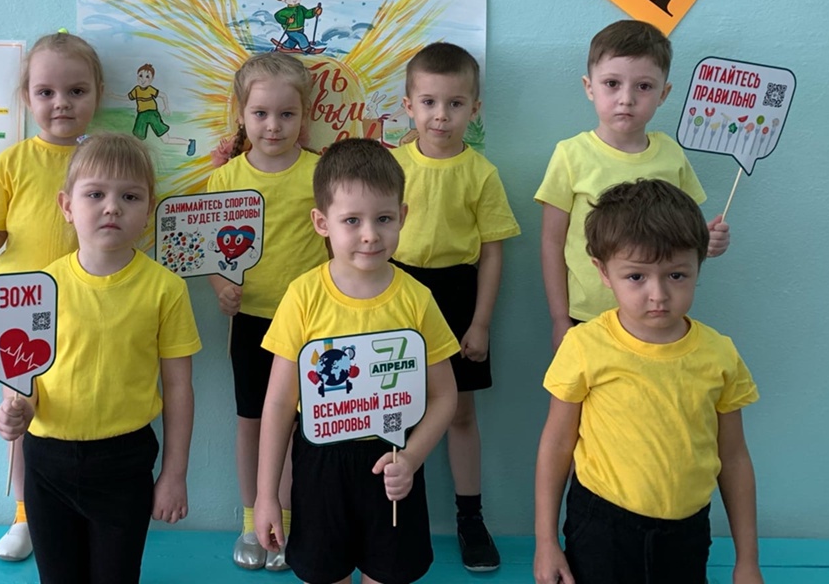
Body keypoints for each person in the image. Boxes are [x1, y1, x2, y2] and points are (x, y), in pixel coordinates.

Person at [533, 179, 762, 584]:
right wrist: (545, 541)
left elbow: (734, 457)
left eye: (676, 275)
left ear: (698, 265)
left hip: (687, 532)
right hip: (602, 528)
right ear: (603, 272)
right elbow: (556, 445)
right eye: (636, 276)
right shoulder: (584, 346)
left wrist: (748, 560)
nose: (658, 294)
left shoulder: (719, 355)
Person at [0, 133, 200, 584]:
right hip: (46, 462)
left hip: (125, 463)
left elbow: (179, 388)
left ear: (148, 209)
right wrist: (16, 409)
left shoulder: (166, 290)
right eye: (95, 195)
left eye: (130, 196)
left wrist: (174, 474)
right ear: (66, 206)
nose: (112, 207)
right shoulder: (39, 287)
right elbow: (22, 376)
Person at [255, 138, 458, 584]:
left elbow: (446, 396)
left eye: (384, 218)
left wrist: (411, 459)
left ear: (402, 216)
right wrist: (267, 495)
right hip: (319, 464)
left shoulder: (417, 300)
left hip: (393, 457)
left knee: (389, 572)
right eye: (352, 220)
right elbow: (278, 404)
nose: (370, 234)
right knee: (325, 572)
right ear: (322, 223)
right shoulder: (302, 297)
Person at [0, 30, 103, 562]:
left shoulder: (104, 160)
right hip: (20, 314)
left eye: (76, 91)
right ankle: (26, 514)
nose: (61, 103)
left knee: (84, 404)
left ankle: (87, 511)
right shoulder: (11, 163)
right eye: (46, 92)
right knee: (20, 412)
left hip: (91, 308)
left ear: (97, 94)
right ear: (27, 98)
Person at [391, 42, 520, 571]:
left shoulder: (481, 173)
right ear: (408, 106)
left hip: (457, 295)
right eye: (428, 102)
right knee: (394, 411)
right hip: (396, 291)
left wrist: (481, 322)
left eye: (455, 103)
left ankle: (471, 518)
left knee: (460, 412)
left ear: (475, 109)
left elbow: (492, 252)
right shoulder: (391, 165)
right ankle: (395, 519)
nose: (440, 115)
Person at [536, 20, 730, 352]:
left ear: (663, 93)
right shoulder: (570, 155)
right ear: (589, 87)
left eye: (643, 86)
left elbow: (688, 235)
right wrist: (559, 318)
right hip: (589, 315)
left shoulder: (671, 155)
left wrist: (708, 241)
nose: (626, 99)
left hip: (658, 312)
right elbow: (552, 242)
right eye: (612, 84)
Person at [205, 51, 323, 570]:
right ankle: (253, 519)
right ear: (241, 114)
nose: (273, 126)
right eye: (260, 114)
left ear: (304, 115)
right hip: (251, 321)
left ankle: (286, 521)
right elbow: (209, 251)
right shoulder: (224, 179)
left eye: (286, 114)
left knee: (297, 425)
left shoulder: (319, 175)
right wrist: (220, 287)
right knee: (252, 421)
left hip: (308, 325)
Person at [127, 63, 195, 156]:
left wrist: (166, 107)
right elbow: (127, 97)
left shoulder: (150, 90)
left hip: (152, 114)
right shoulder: (136, 90)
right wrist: (112, 95)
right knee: (137, 139)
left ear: (152, 79)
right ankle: (134, 155)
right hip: (141, 115)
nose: (143, 79)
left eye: (147, 77)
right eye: (140, 75)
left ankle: (189, 143)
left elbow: (163, 95)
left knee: (166, 140)